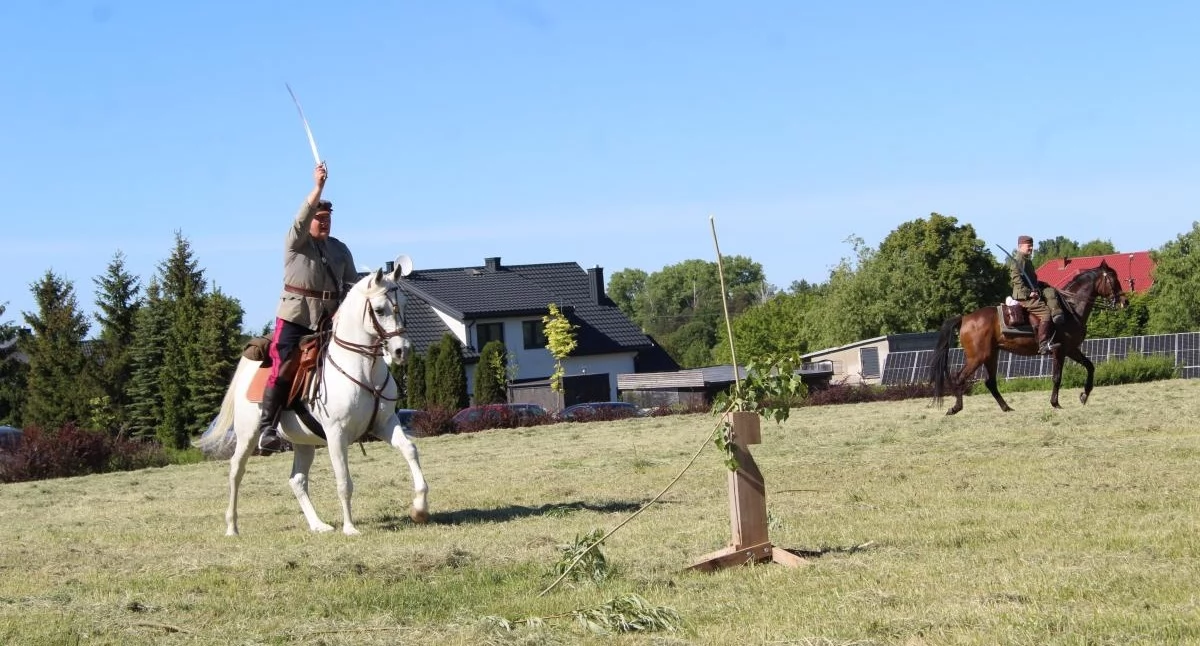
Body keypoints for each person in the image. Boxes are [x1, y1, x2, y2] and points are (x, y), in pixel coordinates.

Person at [258, 162, 360, 452]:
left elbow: (352, 285)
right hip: (295, 317)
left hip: (329, 320)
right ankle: (267, 428)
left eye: (327, 218)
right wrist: (318, 188)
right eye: (319, 217)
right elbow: (300, 219)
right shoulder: (295, 242)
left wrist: (345, 309)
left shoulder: (340, 249)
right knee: (283, 364)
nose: (324, 222)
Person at [1009, 235, 1065, 355]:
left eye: (1031, 246)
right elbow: (1017, 281)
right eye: (1028, 246)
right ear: (1020, 246)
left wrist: (1040, 285)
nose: (1031, 248)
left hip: (1030, 293)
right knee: (1045, 313)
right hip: (1023, 297)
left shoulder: (1026, 260)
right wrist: (1029, 293)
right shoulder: (1018, 260)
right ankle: (1043, 345)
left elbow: (1030, 280)